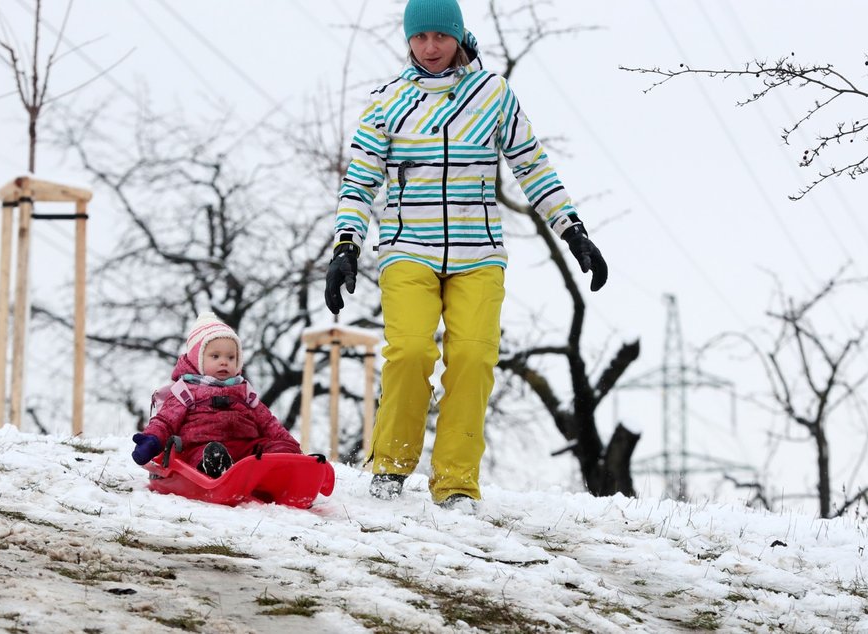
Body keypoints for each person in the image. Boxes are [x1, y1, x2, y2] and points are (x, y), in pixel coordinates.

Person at [324, 0, 608, 509]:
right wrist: (346, 245)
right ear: (407, 40)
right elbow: (360, 180)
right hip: (407, 249)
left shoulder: (493, 95)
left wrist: (573, 231)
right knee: (410, 353)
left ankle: (455, 483)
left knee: (474, 360)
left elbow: (533, 166)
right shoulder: (388, 102)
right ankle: (391, 464)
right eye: (419, 37)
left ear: (458, 36)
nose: (430, 48)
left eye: (440, 36)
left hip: (479, 254)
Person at [130, 312, 302, 476]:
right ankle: (213, 467)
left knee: (272, 447)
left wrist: (290, 445)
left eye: (231, 357)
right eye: (215, 356)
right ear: (198, 359)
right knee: (209, 453)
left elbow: (269, 423)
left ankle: (284, 466)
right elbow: (165, 421)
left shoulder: (244, 392)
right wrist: (151, 440)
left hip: (248, 451)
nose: (224, 362)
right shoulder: (186, 392)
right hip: (201, 447)